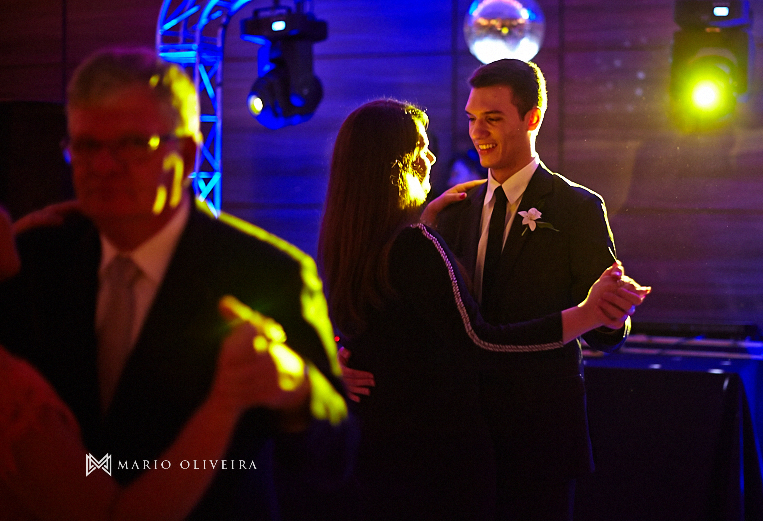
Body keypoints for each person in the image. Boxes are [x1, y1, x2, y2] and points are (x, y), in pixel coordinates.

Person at [0, 48, 350, 521]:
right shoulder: (35, 261)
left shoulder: (266, 272)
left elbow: (335, 456)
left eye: (130, 146)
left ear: (185, 154)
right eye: (86, 146)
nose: (102, 167)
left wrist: (294, 389)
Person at [317, 99, 645, 521]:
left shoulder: (347, 241)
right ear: (396, 163)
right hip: (434, 455)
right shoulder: (416, 244)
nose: (433, 155)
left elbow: (371, 326)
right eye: (421, 145)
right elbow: (478, 342)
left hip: (373, 444)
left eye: (490, 118)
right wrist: (586, 314)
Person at [435, 58, 637, 519]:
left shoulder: (577, 208)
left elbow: (606, 331)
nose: (477, 132)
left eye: (492, 118)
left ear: (533, 118)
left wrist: (610, 313)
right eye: (471, 118)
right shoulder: (453, 209)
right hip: (463, 433)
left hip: (539, 434)